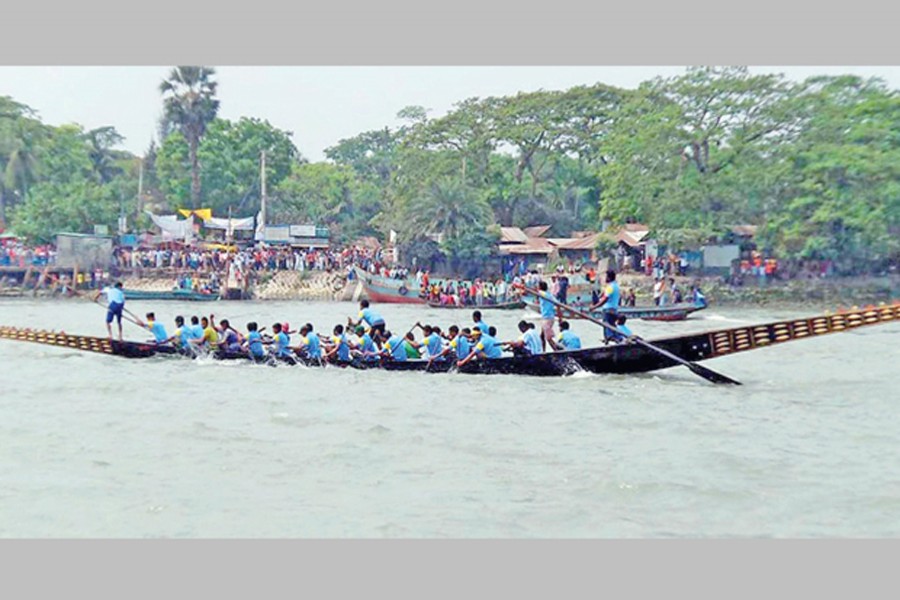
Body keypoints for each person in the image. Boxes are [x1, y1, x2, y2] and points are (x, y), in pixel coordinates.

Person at [589, 269, 621, 344]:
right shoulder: (615, 286)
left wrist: (594, 307)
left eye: (606, 277)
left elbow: (605, 299)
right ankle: (615, 341)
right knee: (613, 327)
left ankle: (609, 343)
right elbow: (603, 296)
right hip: (614, 309)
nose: (605, 279)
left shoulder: (610, 287)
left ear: (609, 278)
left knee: (607, 329)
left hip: (608, 310)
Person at [534, 280, 561, 351]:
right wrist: (560, 317)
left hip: (547, 318)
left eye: (538, 286)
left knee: (548, 338)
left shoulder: (543, 293)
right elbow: (558, 304)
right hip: (548, 318)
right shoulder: (549, 294)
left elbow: (536, 291)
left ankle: (556, 350)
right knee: (542, 336)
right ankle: (543, 351)